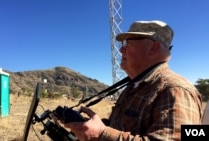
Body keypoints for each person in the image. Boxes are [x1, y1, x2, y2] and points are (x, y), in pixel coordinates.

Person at [65, 20, 202, 141]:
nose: (121, 49)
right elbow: (122, 127)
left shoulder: (175, 89)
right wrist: (90, 127)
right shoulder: (133, 87)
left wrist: (102, 134)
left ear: (153, 48)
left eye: (128, 43)